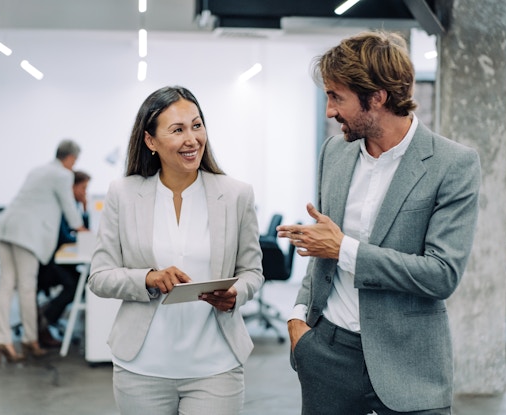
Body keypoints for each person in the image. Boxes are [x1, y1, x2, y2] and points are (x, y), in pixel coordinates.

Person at [277, 31, 481, 414]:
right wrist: (297, 320)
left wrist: (345, 250)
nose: (329, 111)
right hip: (328, 353)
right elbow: (321, 245)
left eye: (337, 97)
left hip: (412, 362)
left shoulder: (452, 165)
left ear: (377, 97)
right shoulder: (334, 152)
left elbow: (441, 274)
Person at [88, 86, 264, 415]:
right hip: (141, 367)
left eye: (197, 126)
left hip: (216, 366)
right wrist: (149, 278)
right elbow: (99, 277)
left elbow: (252, 272)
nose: (192, 139)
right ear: (150, 141)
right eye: (178, 130)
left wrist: (235, 293)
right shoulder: (123, 194)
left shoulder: (236, 194)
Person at [0, 139, 87, 365]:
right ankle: (30, 340)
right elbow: (68, 207)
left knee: (6, 285)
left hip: (6, 226)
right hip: (27, 234)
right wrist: (83, 229)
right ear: (71, 158)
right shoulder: (63, 175)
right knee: (27, 287)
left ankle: (2, 339)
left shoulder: (38, 170)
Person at [37, 170, 92, 348]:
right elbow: (64, 237)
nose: (85, 192)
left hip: (55, 259)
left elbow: (80, 227)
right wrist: (83, 238)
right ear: (72, 187)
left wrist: (84, 208)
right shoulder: (61, 207)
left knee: (80, 282)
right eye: (83, 187)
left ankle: (47, 314)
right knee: (74, 285)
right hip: (48, 262)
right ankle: (43, 322)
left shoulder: (73, 207)